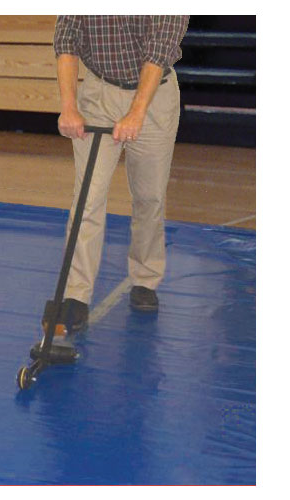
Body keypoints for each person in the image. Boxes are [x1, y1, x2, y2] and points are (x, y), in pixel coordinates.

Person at [52, 15, 189, 332]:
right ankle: (76, 294)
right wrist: (69, 106)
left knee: (149, 197)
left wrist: (137, 112)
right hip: (99, 94)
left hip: (154, 96)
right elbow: (67, 39)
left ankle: (145, 278)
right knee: (87, 199)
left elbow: (159, 49)